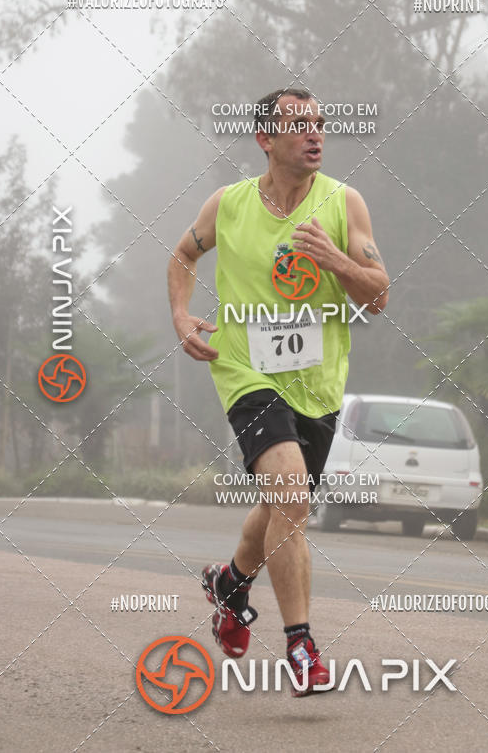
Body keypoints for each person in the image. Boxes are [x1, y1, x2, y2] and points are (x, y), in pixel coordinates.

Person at [167, 87, 389, 696]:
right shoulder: (229, 204)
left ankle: (231, 585)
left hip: (317, 385)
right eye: (299, 125)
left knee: (281, 509)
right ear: (266, 139)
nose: (315, 135)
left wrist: (335, 260)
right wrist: (183, 316)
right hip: (246, 371)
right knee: (289, 490)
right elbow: (184, 255)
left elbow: (378, 293)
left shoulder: (345, 204)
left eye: (320, 124)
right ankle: (302, 646)